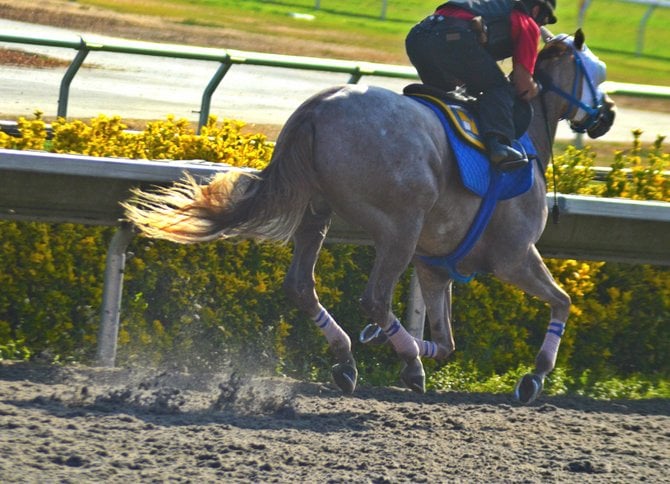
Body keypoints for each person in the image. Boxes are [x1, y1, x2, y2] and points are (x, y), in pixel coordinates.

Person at [405, 0, 557, 171]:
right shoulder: (527, 23)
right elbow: (524, 87)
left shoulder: (489, 7)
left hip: (417, 37)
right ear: (536, 10)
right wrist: (538, 87)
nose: (540, 26)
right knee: (499, 88)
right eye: (542, 21)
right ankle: (500, 147)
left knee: (447, 95)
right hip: (452, 38)